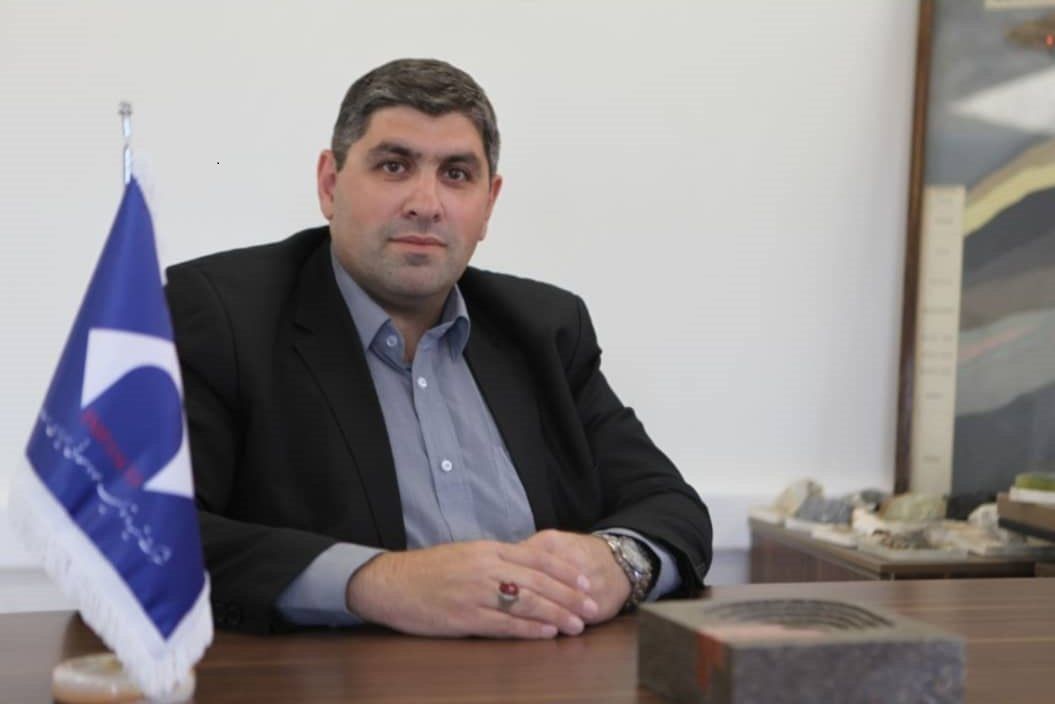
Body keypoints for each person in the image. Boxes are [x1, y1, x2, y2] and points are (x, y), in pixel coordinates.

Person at [165, 58, 712, 638]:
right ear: (329, 184)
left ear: (488, 204)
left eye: (456, 174)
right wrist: (377, 582)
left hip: (547, 670)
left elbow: (671, 506)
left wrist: (617, 563)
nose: (426, 203)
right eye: (394, 166)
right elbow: (151, 533)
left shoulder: (546, 330)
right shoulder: (221, 316)